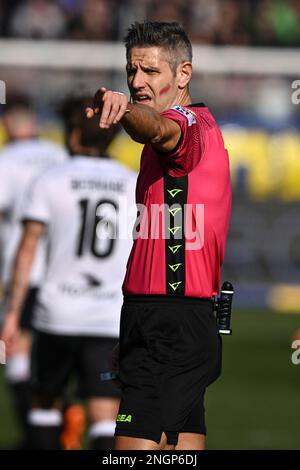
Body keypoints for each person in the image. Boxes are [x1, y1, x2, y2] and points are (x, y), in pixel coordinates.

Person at [86, 21, 232, 450]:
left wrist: (124, 109)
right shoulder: (193, 132)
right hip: (170, 318)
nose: (137, 81)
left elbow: (155, 127)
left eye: (150, 71)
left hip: (167, 318)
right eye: (132, 71)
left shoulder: (185, 125)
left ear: (183, 74)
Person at [1, 97, 136, 449]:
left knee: (44, 402)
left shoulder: (52, 179)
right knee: (108, 413)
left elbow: (28, 247)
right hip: (108, 316)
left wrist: (13, 313)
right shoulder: (132, 183)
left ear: (74, 135)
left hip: (56, 315)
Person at [0, 96, 67, 448]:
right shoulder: (59, 156)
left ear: (9, 124)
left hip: (26, 272)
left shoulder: (6, 160)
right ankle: (59, 422)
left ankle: (35, 436)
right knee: (56, 355)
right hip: (63, 271)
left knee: (15, 350)